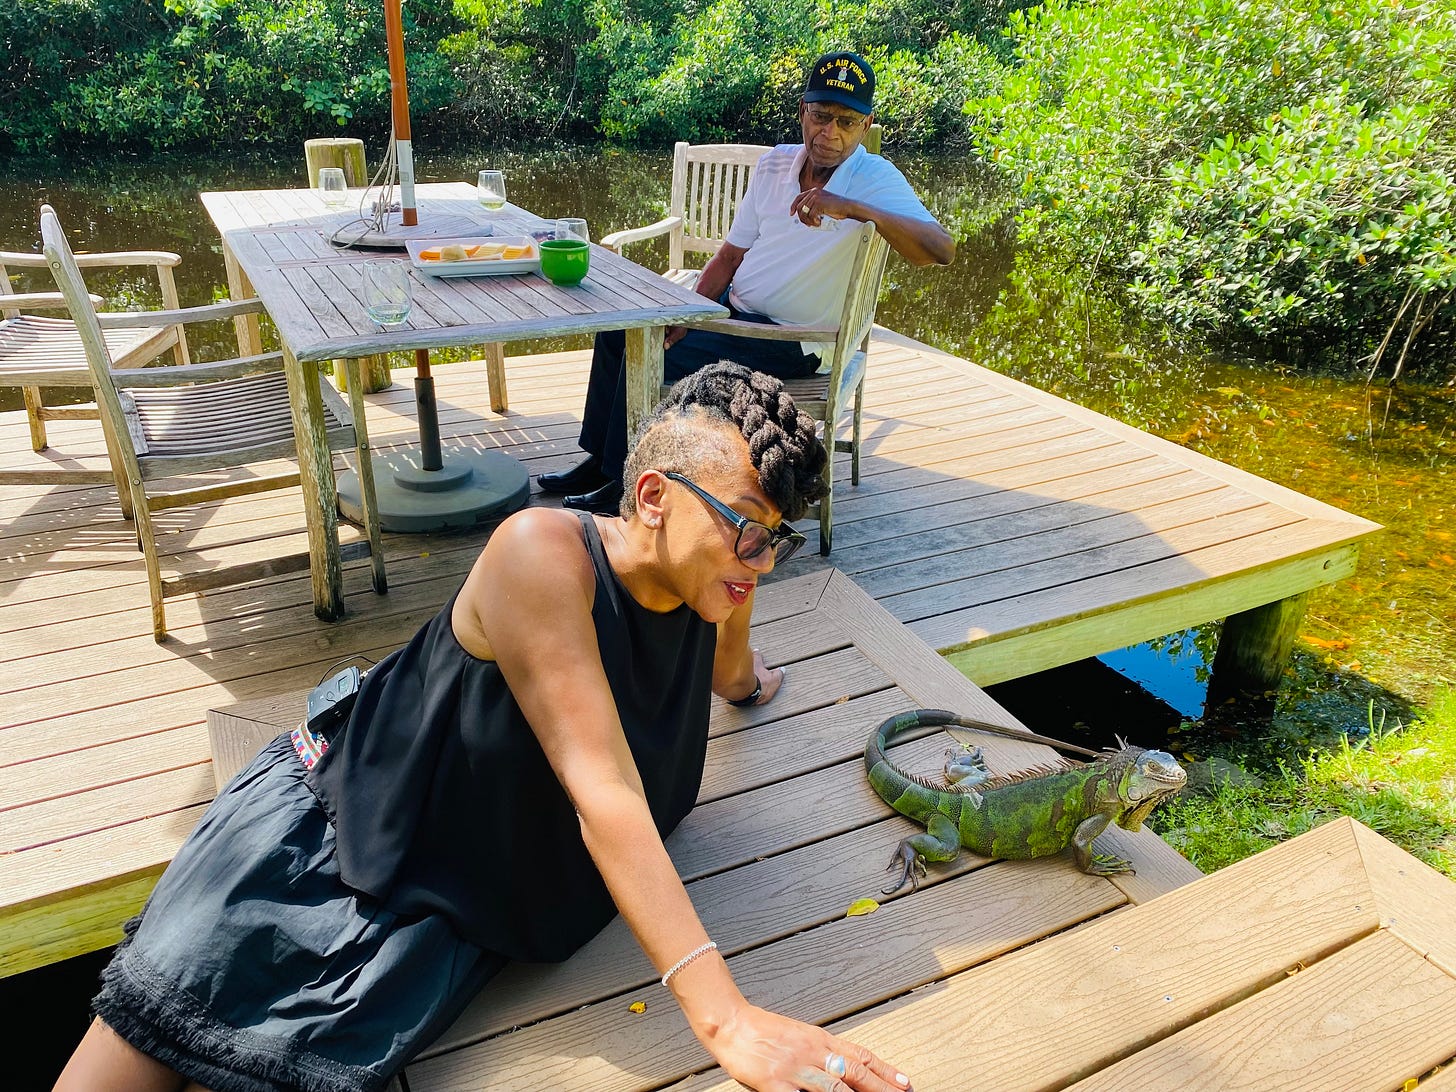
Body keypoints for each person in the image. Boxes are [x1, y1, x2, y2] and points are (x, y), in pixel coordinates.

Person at [55, 363, 915, 1092]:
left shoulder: (720, 574)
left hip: (484, 885)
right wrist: (725, 1019)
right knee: (152, 1035)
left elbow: (732, 671)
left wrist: (752, 680)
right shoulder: (540, 554)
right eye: (748, 531)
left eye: (776, 540)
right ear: (654, 497)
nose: (761, 561)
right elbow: (604, 791)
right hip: (352, 836)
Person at [539, 49, 956, 514]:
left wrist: (852, 208)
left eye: (846, 121)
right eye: (821, 116)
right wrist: (690, 313)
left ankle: (621, 482)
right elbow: (730, 256)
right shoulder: (776, 164)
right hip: (734, 314)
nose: (830, 133)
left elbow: (941, 250)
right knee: (620, 331)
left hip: (790, 340)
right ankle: (599, 460)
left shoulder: (872, 177)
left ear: (866, 124)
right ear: (802, 111)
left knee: (649, 351)